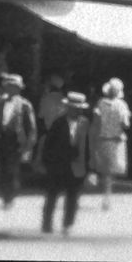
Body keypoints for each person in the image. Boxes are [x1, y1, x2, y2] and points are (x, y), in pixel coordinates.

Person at [41, 91, 91, 235]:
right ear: (68, 107)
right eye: (73, 107)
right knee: (52, 195)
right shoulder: (58, 122)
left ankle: (68, 224)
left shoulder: (85, 123)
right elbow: (48, 144)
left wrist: (89, 168)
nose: (76, 110)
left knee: (73, 196)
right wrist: (47, 162)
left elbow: (89, 146)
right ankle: (47, 224)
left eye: (79, 108)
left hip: (77, 165)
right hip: (58, 165)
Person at [0, 71, 37, 210]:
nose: (10, 89)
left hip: (16, 141)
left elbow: (31, 127)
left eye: (13, 86)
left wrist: (29, 145)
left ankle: (10, 197)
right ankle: (5, 196)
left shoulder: (25, 105)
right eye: (8, 86)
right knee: (2, 169)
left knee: (11, 169)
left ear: (19, 89)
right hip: (1, 139)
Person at [90, 77, 131, 212]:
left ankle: (105, 196)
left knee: (104, 170)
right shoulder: (122, 105)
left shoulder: (100, 103)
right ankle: (107, 198)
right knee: (110, 173)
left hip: (102, 139)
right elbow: (125, 124)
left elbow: (95, 121)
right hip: (116, 141)